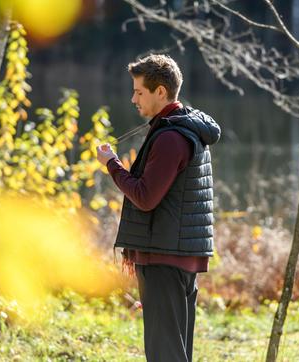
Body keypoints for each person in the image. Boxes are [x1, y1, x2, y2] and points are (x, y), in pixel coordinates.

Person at [96, 54, 220, 362]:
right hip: (175, 254)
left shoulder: (171, 138)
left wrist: (112, 164)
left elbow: (145, 196)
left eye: (139, 91)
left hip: (165, 258)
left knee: (165, 354)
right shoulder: (182, 129)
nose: (133, 98)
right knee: (175, 353)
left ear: (160, 92)